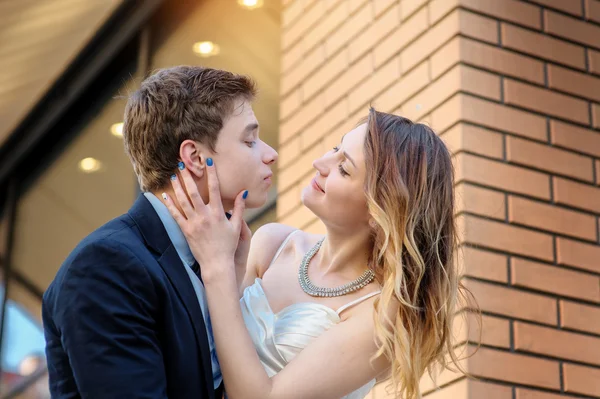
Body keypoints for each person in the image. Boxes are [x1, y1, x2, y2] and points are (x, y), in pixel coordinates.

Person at [164, 107, 471, 399]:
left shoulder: (381, 315)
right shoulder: (272, 244)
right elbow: (208, 356)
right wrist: (231, 267)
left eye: (343, 168)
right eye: (335, 148)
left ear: (380, 212)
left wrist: (216, 269)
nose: (320, 164)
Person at [42, 66, 277, 398]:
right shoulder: (106, 265)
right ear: (195, 157)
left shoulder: (219, 260)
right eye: (249, 140)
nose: (270, 154)